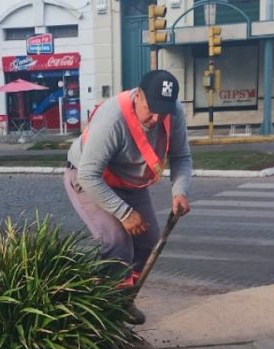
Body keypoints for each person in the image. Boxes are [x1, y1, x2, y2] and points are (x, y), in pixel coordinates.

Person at [63, 69, 192, 325]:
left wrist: (180, 191)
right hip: (89, 179)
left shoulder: (173, 112)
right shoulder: (112, 120)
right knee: (117, 241)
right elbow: (88, 175)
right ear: (139, 96)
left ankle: (122, 300)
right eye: (151, 109)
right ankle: (102, 315)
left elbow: (181, 157)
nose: (157, 118)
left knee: (148, 241)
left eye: (163, 111)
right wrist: (124, 213)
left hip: (129, 183)